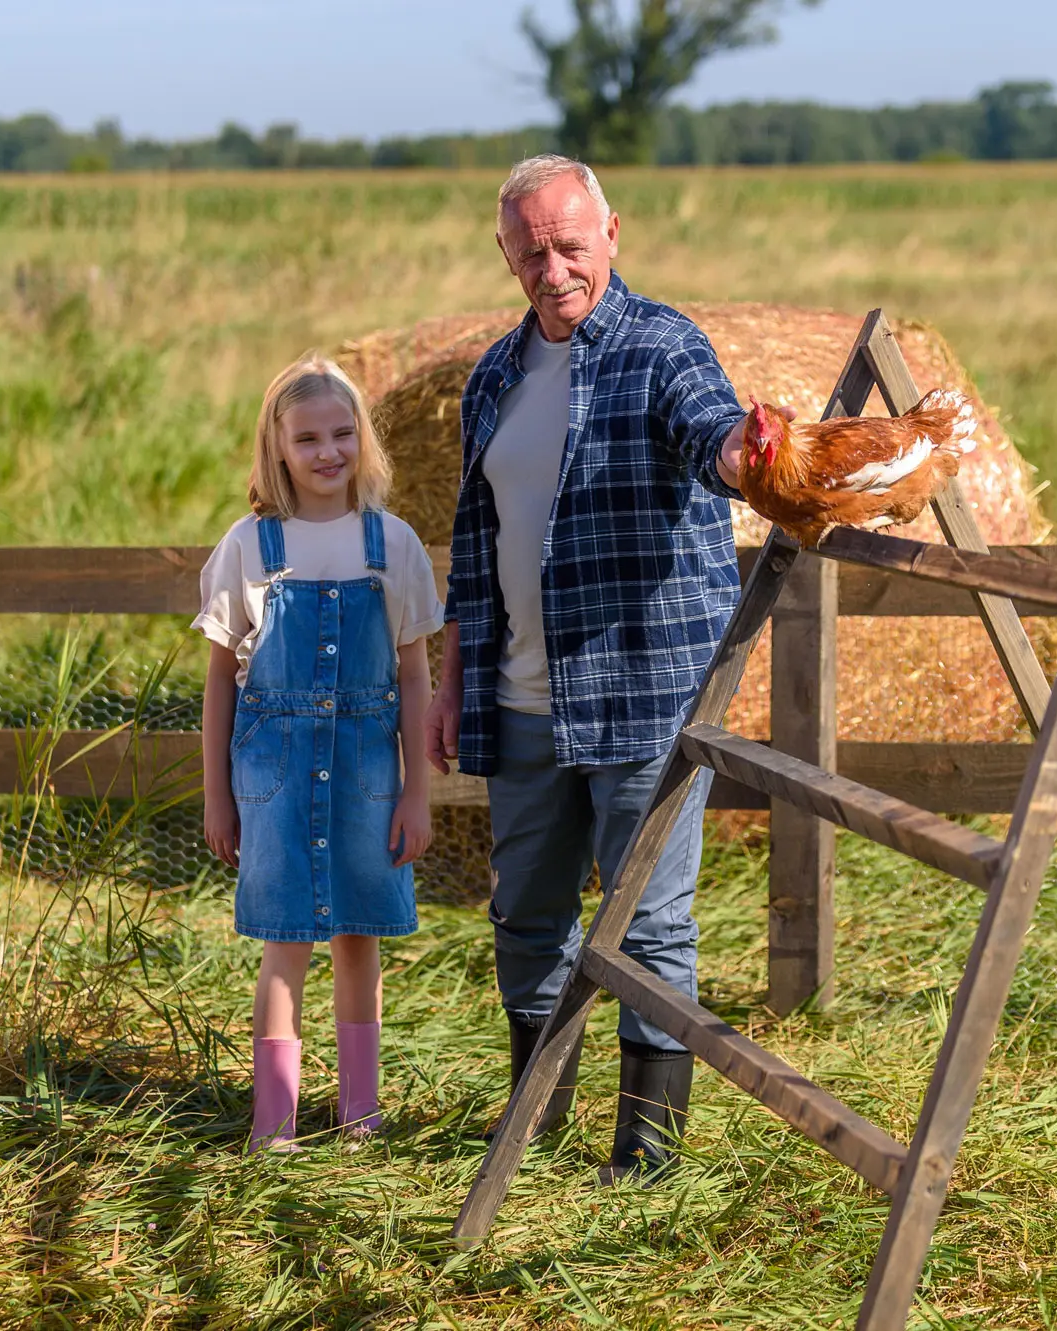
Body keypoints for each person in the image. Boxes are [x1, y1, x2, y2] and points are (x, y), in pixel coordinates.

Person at [426, 154, 785, 1182]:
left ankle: (646, 1148)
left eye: (570, 245)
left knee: (649, 921)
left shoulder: (661, 344)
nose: (553, 268)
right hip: (520, 697)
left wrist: (744, 456)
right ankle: (533, 1120)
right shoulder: (493, 374)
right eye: (531, 250)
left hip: (641, 692)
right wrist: (455, 680)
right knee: (526, 913)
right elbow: (474, 540)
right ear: (505, 252)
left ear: (610, 234)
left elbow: (706, 433)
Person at [197, 355, 442, 1152]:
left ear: (363, 439)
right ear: (278, 446)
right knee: (286, 942)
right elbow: (220, 688)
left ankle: (360, 1114)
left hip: (369, 782)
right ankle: (276, 1122)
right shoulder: (249, 548)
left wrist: (416, 794)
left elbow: (414, 678)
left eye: (342, 433)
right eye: (308, 438)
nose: (327, 451)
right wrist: (217, 797)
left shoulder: (392, 544)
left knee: (359, 941)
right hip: (274, 781)